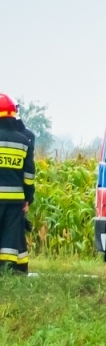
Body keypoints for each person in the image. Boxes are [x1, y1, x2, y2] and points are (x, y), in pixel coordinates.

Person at [0, 94, 36, 274]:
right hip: (15, 200)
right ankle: (11, 271)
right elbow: (29, 175)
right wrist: (28, 198)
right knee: (11, 236)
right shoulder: (23, 141)